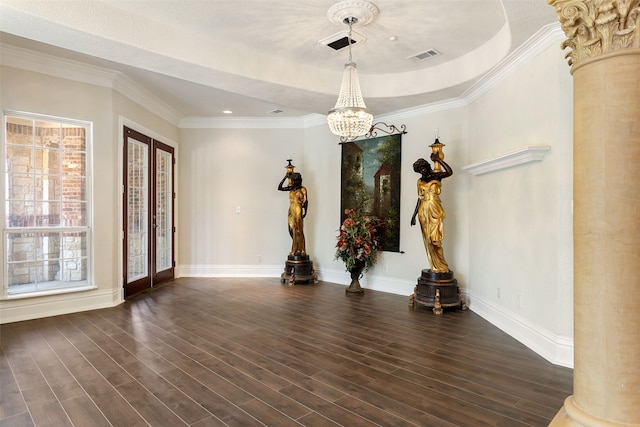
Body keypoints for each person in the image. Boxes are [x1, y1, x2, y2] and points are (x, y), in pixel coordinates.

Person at [410, 153, 453, 273]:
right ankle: (434, 266)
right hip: (423, 210)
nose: (422, 171)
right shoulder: (420, 181)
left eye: (423, 168)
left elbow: (449, 172)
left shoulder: (436, 175)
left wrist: (438, 160)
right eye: (419, 170)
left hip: (434, 207)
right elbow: (419, 198)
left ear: (427, 166)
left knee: (436, 239)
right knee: (428, 239)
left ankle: (441, 266)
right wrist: (414, 215)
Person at [278, 171, 307, 256]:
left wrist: (305, 211)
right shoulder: (291, 188)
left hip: (298, 209)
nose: (293, 182)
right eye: (293, 180)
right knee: (291, 230)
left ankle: (300, 250)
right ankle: (295, 247)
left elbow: (306, 202)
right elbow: (280, 187)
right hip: (291, 210)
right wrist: (285, 177)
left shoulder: (302, 189)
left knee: (298, 230)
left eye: (294, 180)